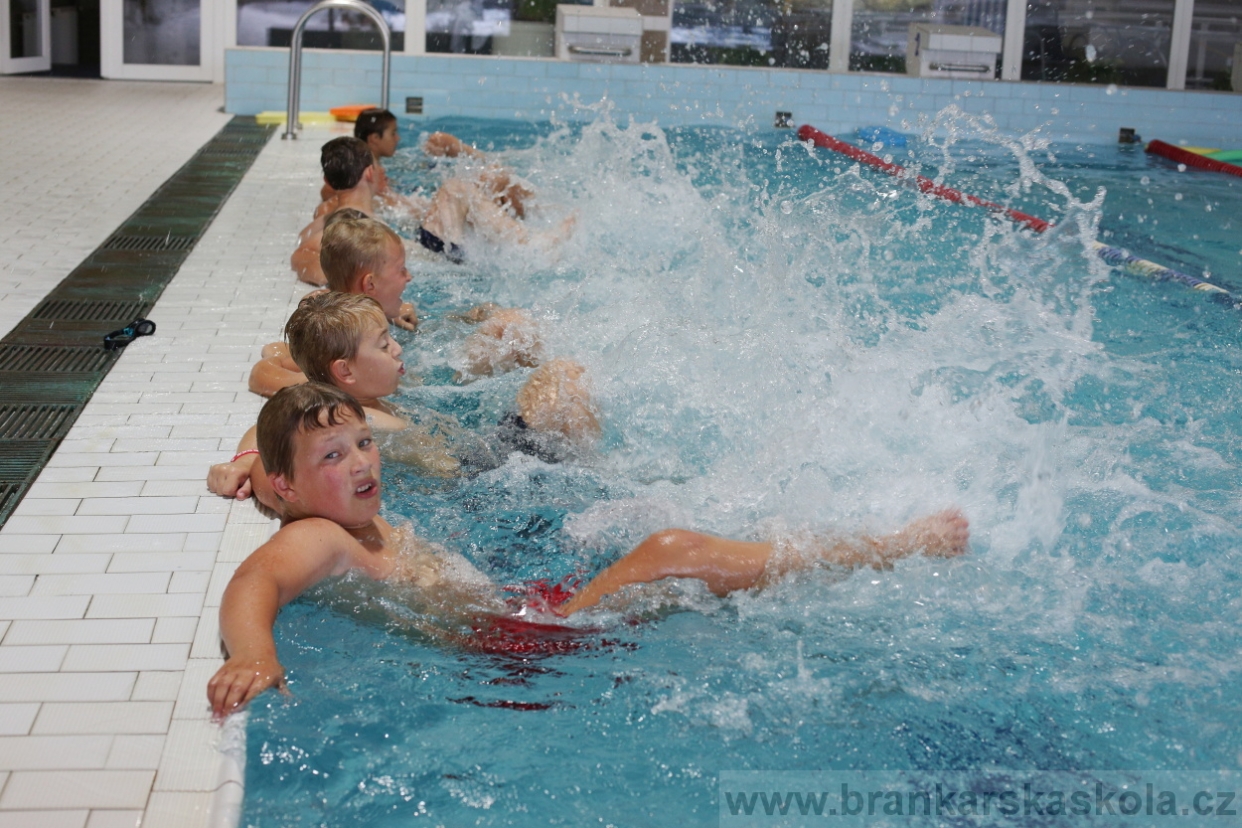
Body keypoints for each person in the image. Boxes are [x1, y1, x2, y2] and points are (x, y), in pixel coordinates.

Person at [205, 381, 971, 719]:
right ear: (292, 487)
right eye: (334, 458)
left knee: (649, 526)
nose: (364, 463)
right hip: (518, 649)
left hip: (525, 616)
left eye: (363, 444)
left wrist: (245, 467)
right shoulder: (318, 535)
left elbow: (268, 447)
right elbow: (255, 580)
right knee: (675, 548)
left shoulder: (326, 508)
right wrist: (253, 657)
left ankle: (824, 552)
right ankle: (889, 548)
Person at [210, 293, 599, 506]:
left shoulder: (361, 403)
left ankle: (589, 474)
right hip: (481, 481)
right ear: (345, 372)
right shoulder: (345, 417)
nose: (397, 349)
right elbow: (268, 430)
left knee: (562, 377)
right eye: (383, 345)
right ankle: (594, 480)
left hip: (483, 464)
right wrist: (247, 464)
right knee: (564, 378)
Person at [253, 212, 418, 397]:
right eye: (401, 269)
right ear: (370, 284)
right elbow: (266, 373)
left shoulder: (369, 317)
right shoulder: (330, 326)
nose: (409, 276)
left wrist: (390, 311)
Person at [292, 137, 379, 286]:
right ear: (370, 172)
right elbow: (301, 255)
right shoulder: (351, 224)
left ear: (327, 181)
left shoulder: (323, 221)